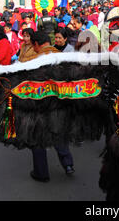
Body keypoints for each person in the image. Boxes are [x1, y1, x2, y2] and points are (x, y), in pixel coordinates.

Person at [29, 31, 75, 182]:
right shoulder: (60, 56)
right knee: (58, 134)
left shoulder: (35, 60)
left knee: (37, 138)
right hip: (60, 103)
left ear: (36, 44)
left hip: (41, 105)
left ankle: (41, 173)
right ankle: (68, 164)